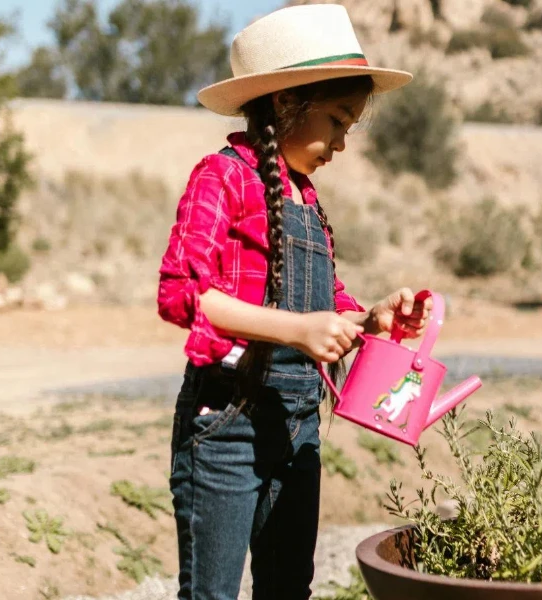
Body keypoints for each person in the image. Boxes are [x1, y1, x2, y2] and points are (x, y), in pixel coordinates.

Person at [158, 5, 429, 599]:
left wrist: (371, 317)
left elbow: (322, 304)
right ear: (284, 104)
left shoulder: (305, 200)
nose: (340, 143)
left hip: (297, 428)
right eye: (336, 120)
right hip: (228, 424)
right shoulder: (221, 177)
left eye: (349, 127)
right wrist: (297, 330)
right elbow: (184, 294)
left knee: (288, 589)